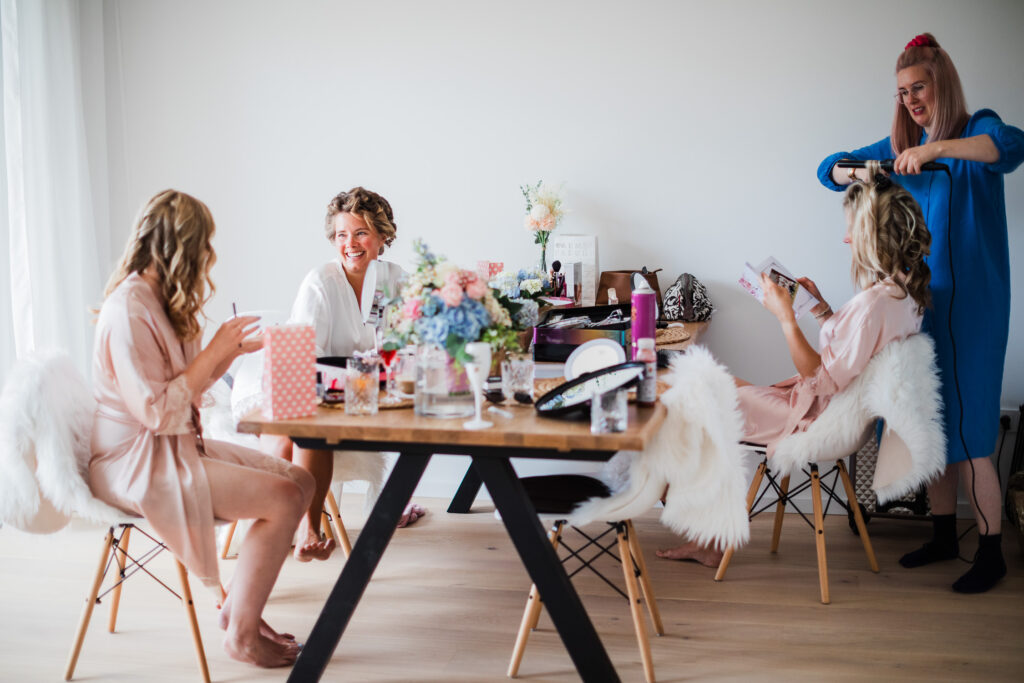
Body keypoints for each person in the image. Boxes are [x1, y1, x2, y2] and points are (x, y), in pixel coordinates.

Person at [817, 33, 1023, 593]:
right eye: (903, 91)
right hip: (922, 302)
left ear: (942, 83)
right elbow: (827, 167)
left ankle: (989, 552)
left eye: (919, 87)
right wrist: (862, 172)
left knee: (973, 427)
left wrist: (933, 150)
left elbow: (1010, 145)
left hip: (975, 307)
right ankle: (939, 535)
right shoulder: (899, 149)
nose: (910, 99)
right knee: (930, 420)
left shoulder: (977, 130)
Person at [659, 170, 931, 569]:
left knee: (677, 393)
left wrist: (786, 317)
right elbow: (850, 362)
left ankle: (705, 532)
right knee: (701, 383)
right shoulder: (900, 297)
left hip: (813, 419)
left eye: (851, 230)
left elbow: (822, 376)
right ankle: (706, 528)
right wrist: (820, 309)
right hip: (827, 411)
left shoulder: (875, 304)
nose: (845, 238)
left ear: (873, 236)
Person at [89, 190, 315, 667]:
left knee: (302, 480)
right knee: (283, 498)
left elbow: (184, 390)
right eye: (204, 244)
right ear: (183, 246)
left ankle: (238, 612)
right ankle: (242, 636)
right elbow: (154, 410)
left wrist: (228, 353)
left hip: (170, 444)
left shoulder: (163, 300)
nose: (209, 256)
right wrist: (214, 351)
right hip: (135, 461)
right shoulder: (127, 309)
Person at [258, 186, 425, 562]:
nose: (350, 244)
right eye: (341, 235)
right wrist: (356, 376)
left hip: (364, 391)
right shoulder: (321, 282)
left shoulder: (397, 280)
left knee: (309, 424)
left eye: (361, 232)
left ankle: (284, 523)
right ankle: (308, 528)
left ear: (383, 237)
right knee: (303, 424)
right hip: (300, 380)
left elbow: (409, 345)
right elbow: (299, 362)